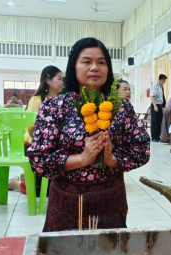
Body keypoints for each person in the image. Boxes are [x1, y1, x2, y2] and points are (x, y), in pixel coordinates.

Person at [27, 37, 150, 232]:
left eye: (101, 62)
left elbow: (141, 149)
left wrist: (112, 160)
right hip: (66, 201)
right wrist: (82, 158)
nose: (94, 67)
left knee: (110, 254)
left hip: (111, 199)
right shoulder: (54, 107)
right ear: (73, 66)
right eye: (86, 61)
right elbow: (39, 160)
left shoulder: (121, 108)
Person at [8, 65, 64, 193]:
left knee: (57, 185)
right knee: (42, 190)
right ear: (48, 80)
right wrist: (47, 145)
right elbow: (30, 128)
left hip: (52, 147)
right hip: (34, 145)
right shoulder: (37, 100)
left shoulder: (61, 101)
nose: (62, 82)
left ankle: (28, 176)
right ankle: (16, 184)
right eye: (59, 79)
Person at [150, 74, 167, 142]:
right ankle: (154, 137)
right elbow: (152, 96)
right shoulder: (155, 86)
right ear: (161, 80)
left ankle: (158, 136)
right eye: (164, 80)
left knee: (159, 121)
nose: (164, 82)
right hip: (155, 105)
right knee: (155, 121)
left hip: (160, 105)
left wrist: (163, 106)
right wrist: (155, 106)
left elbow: (162, 97)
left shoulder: (161, 87)